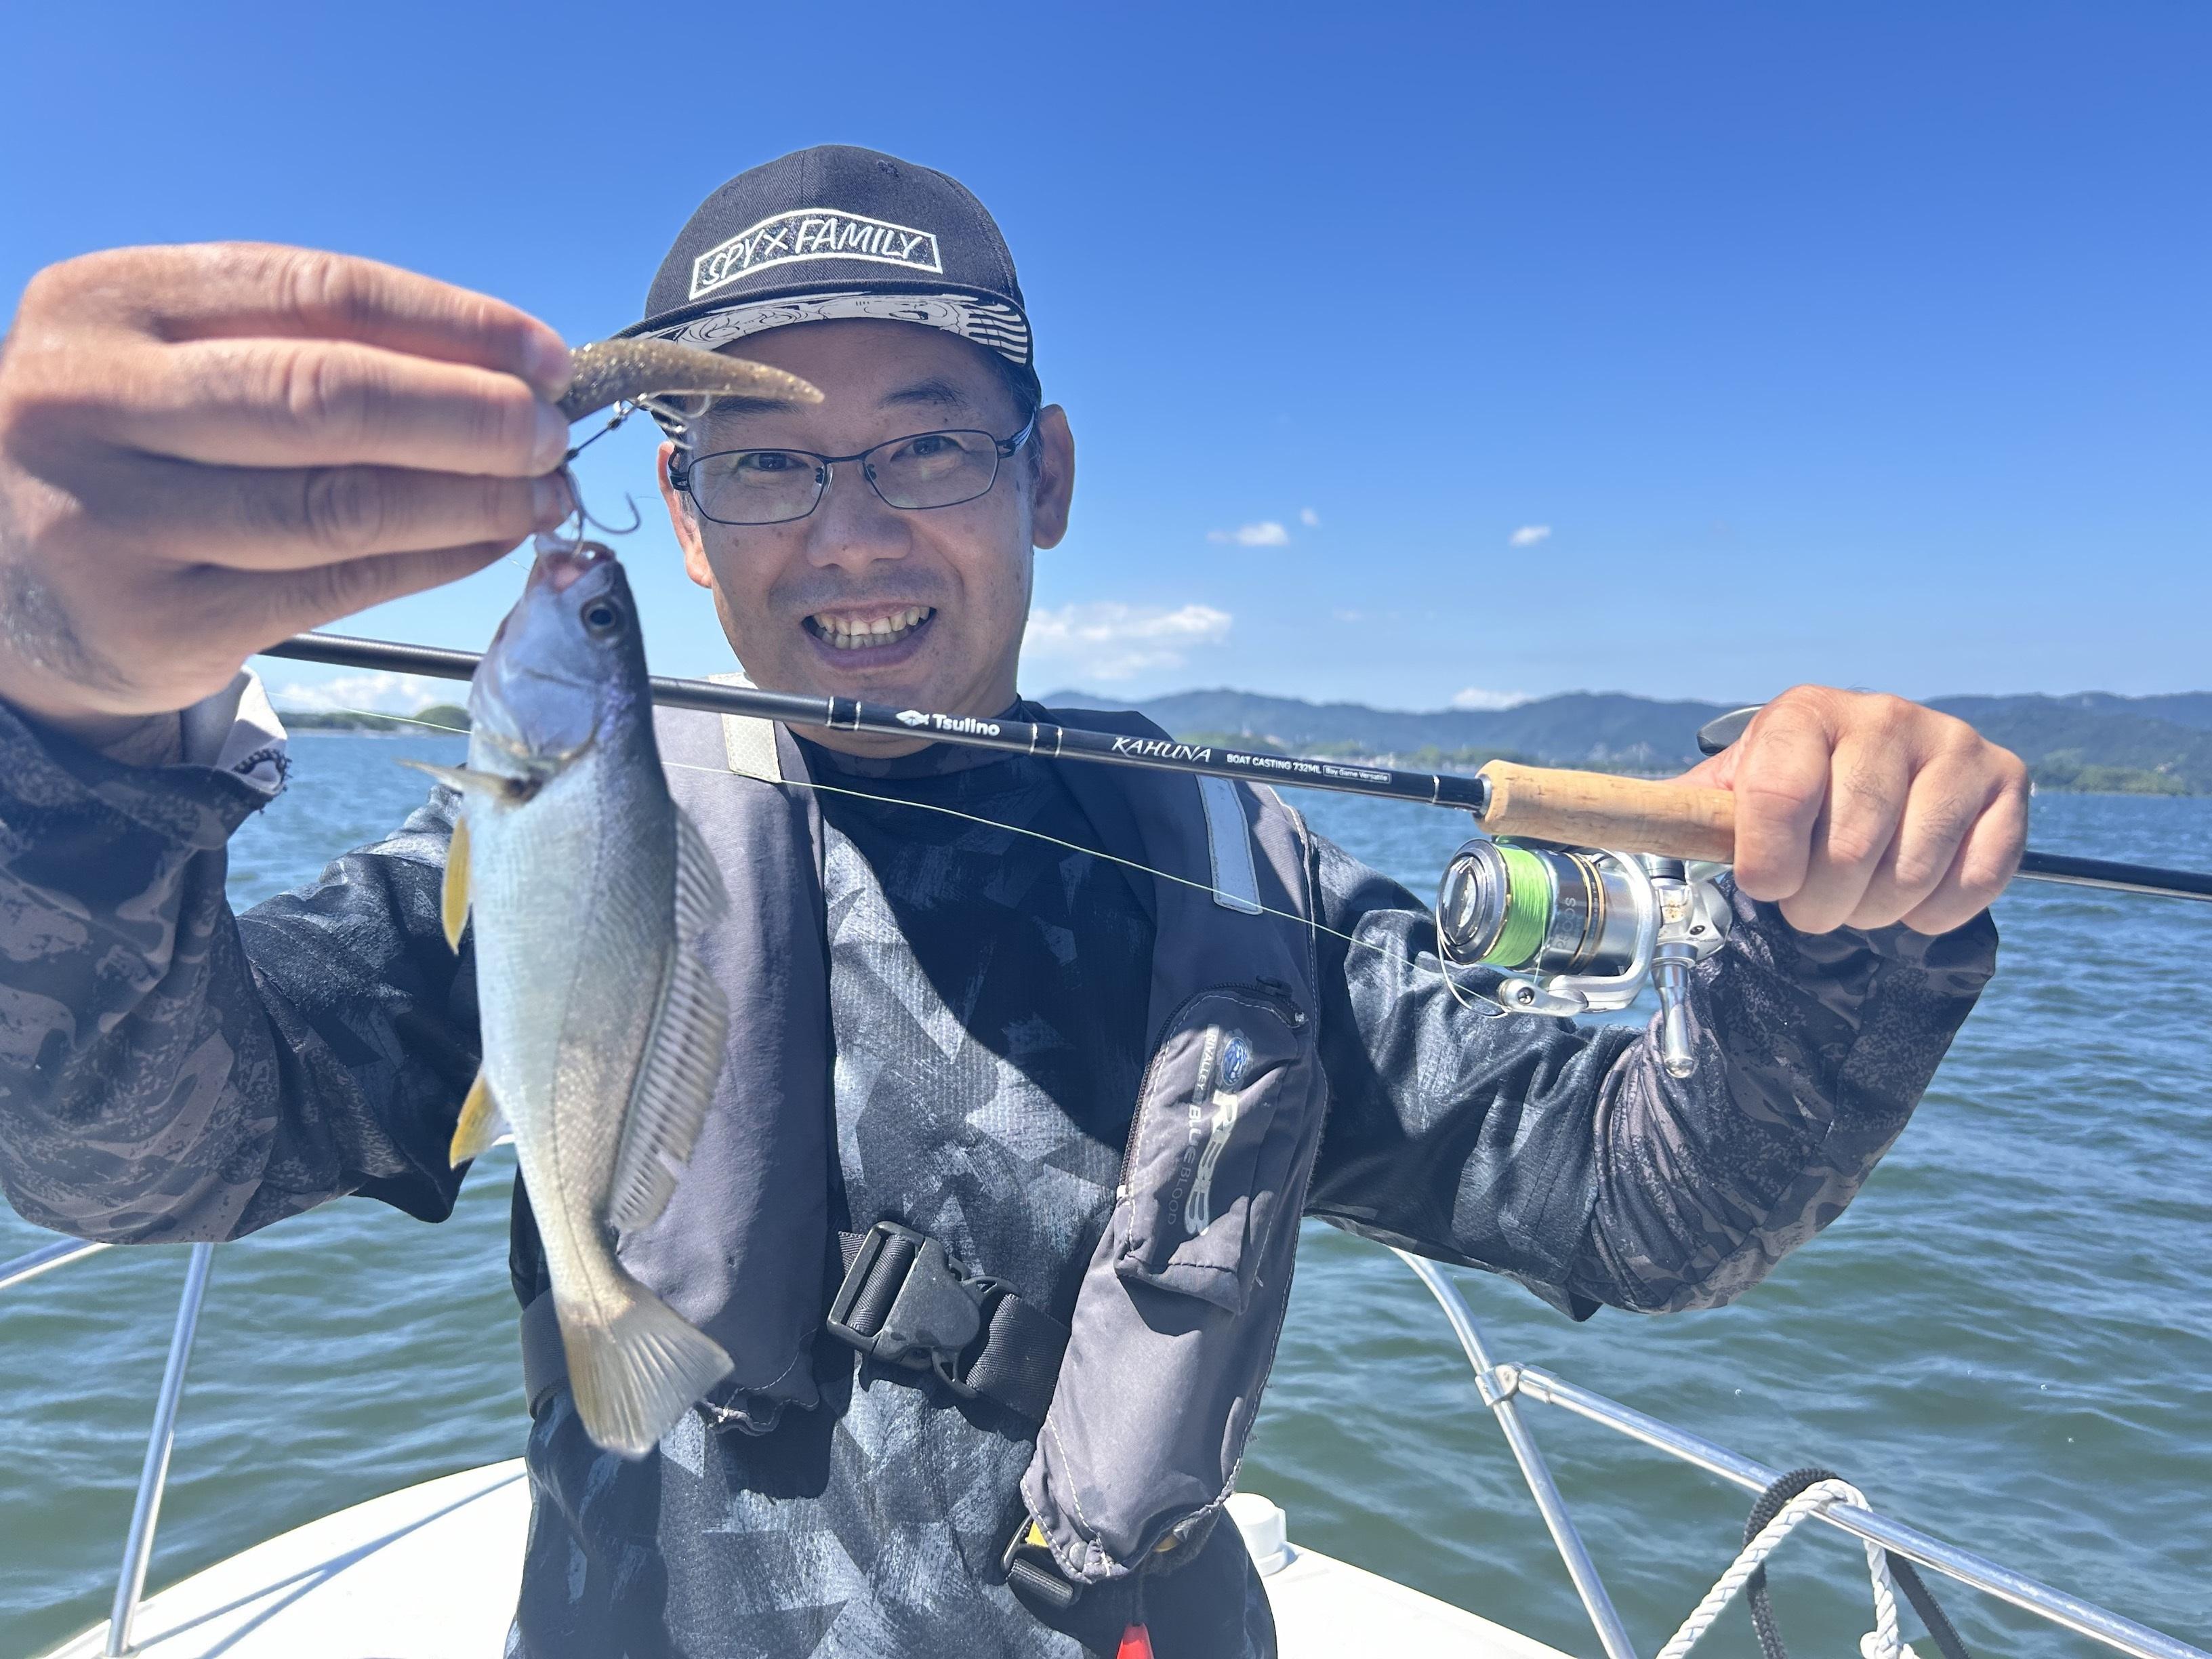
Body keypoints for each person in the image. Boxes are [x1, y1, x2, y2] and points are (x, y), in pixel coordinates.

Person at [0, 146, 2024, 1659]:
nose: (854, 532)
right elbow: (145, 1151)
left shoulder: (1241, 873)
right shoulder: (566, 823)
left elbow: (1637, 1205)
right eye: (766, 465)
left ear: (1045, 477)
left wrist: (1848, 927)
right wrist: (68, 748)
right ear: (681, 518)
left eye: (926, 449)